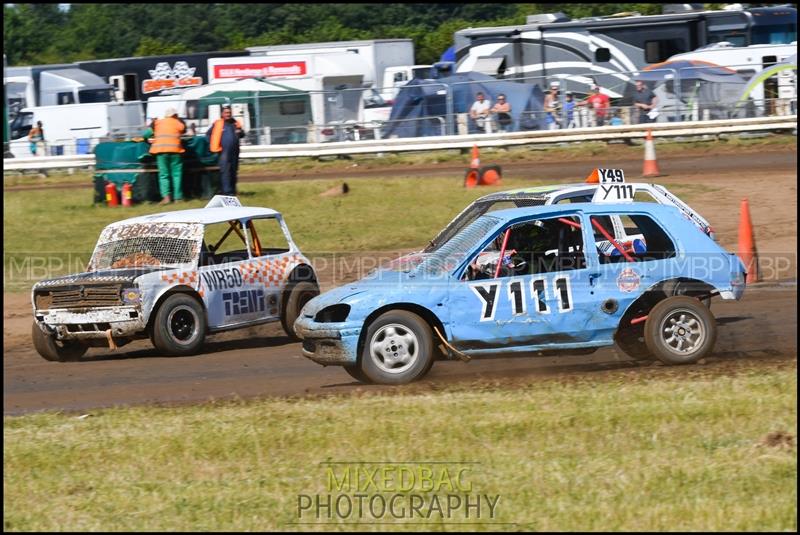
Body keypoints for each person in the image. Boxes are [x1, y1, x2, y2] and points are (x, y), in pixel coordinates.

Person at [149, 108, 186, 204]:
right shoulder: (178, 122)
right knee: (177, 175)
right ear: (175, 115)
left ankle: (166, 198)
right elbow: (183, 130)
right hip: (175, 151)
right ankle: (178, 198)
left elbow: (146, 134)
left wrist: (149, 138)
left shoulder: (157, 122)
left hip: (161, 151)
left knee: (164, 175)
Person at [207, 105, 245, 196]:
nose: (228, 114)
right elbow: (208, 135)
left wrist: (240, 132)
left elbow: (243, 134)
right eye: (226, 113)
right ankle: (227, 192)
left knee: (233, 171)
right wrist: (213, 145)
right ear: (222, 114)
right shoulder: (218, 124)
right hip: (223, 152)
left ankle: (233, 190)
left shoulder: (235, 123)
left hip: (235, 152)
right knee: (225, 171)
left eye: (229, 113)